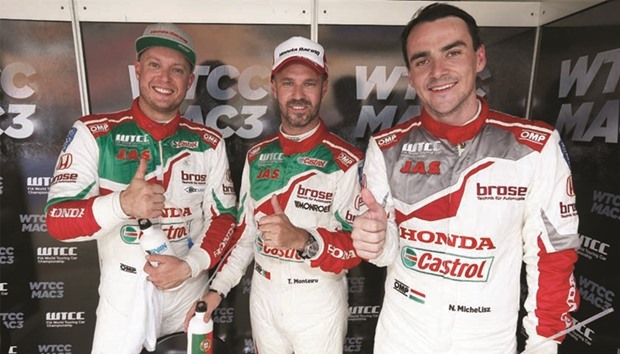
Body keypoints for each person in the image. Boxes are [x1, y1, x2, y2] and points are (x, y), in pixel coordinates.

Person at [351, 3, 580, 354]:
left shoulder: (533, 145)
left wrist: (542, 346)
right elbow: (387, 253)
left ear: (480, 58)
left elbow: (552, 257)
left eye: (452, 53)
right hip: (402, 336)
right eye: (422, 60)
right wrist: (376, 242)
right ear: (411, 76)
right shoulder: (386, 147)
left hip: (486, 340)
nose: (438, 71)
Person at [44, 23, 237, 354]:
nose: (164, 78)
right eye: (154, 65)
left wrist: (189, 266)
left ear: (190, 82)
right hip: (124, 291)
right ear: (137, 70)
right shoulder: (95, 133)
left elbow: (225, 218)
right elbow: (57, 221)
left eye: (177, 70)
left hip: (188, 291)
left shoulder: (208, 142)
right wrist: (121, 204)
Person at [185, 36, 363, 354]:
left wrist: (302, 240)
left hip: (318, 301)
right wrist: (216, 291)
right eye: (287, 83)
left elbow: (356, 249)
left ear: (323, 87)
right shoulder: (256, 155)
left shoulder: (345, 161)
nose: (297, 95)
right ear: (273, 86)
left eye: (309, 83)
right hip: (264, 298)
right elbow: (243, 238)